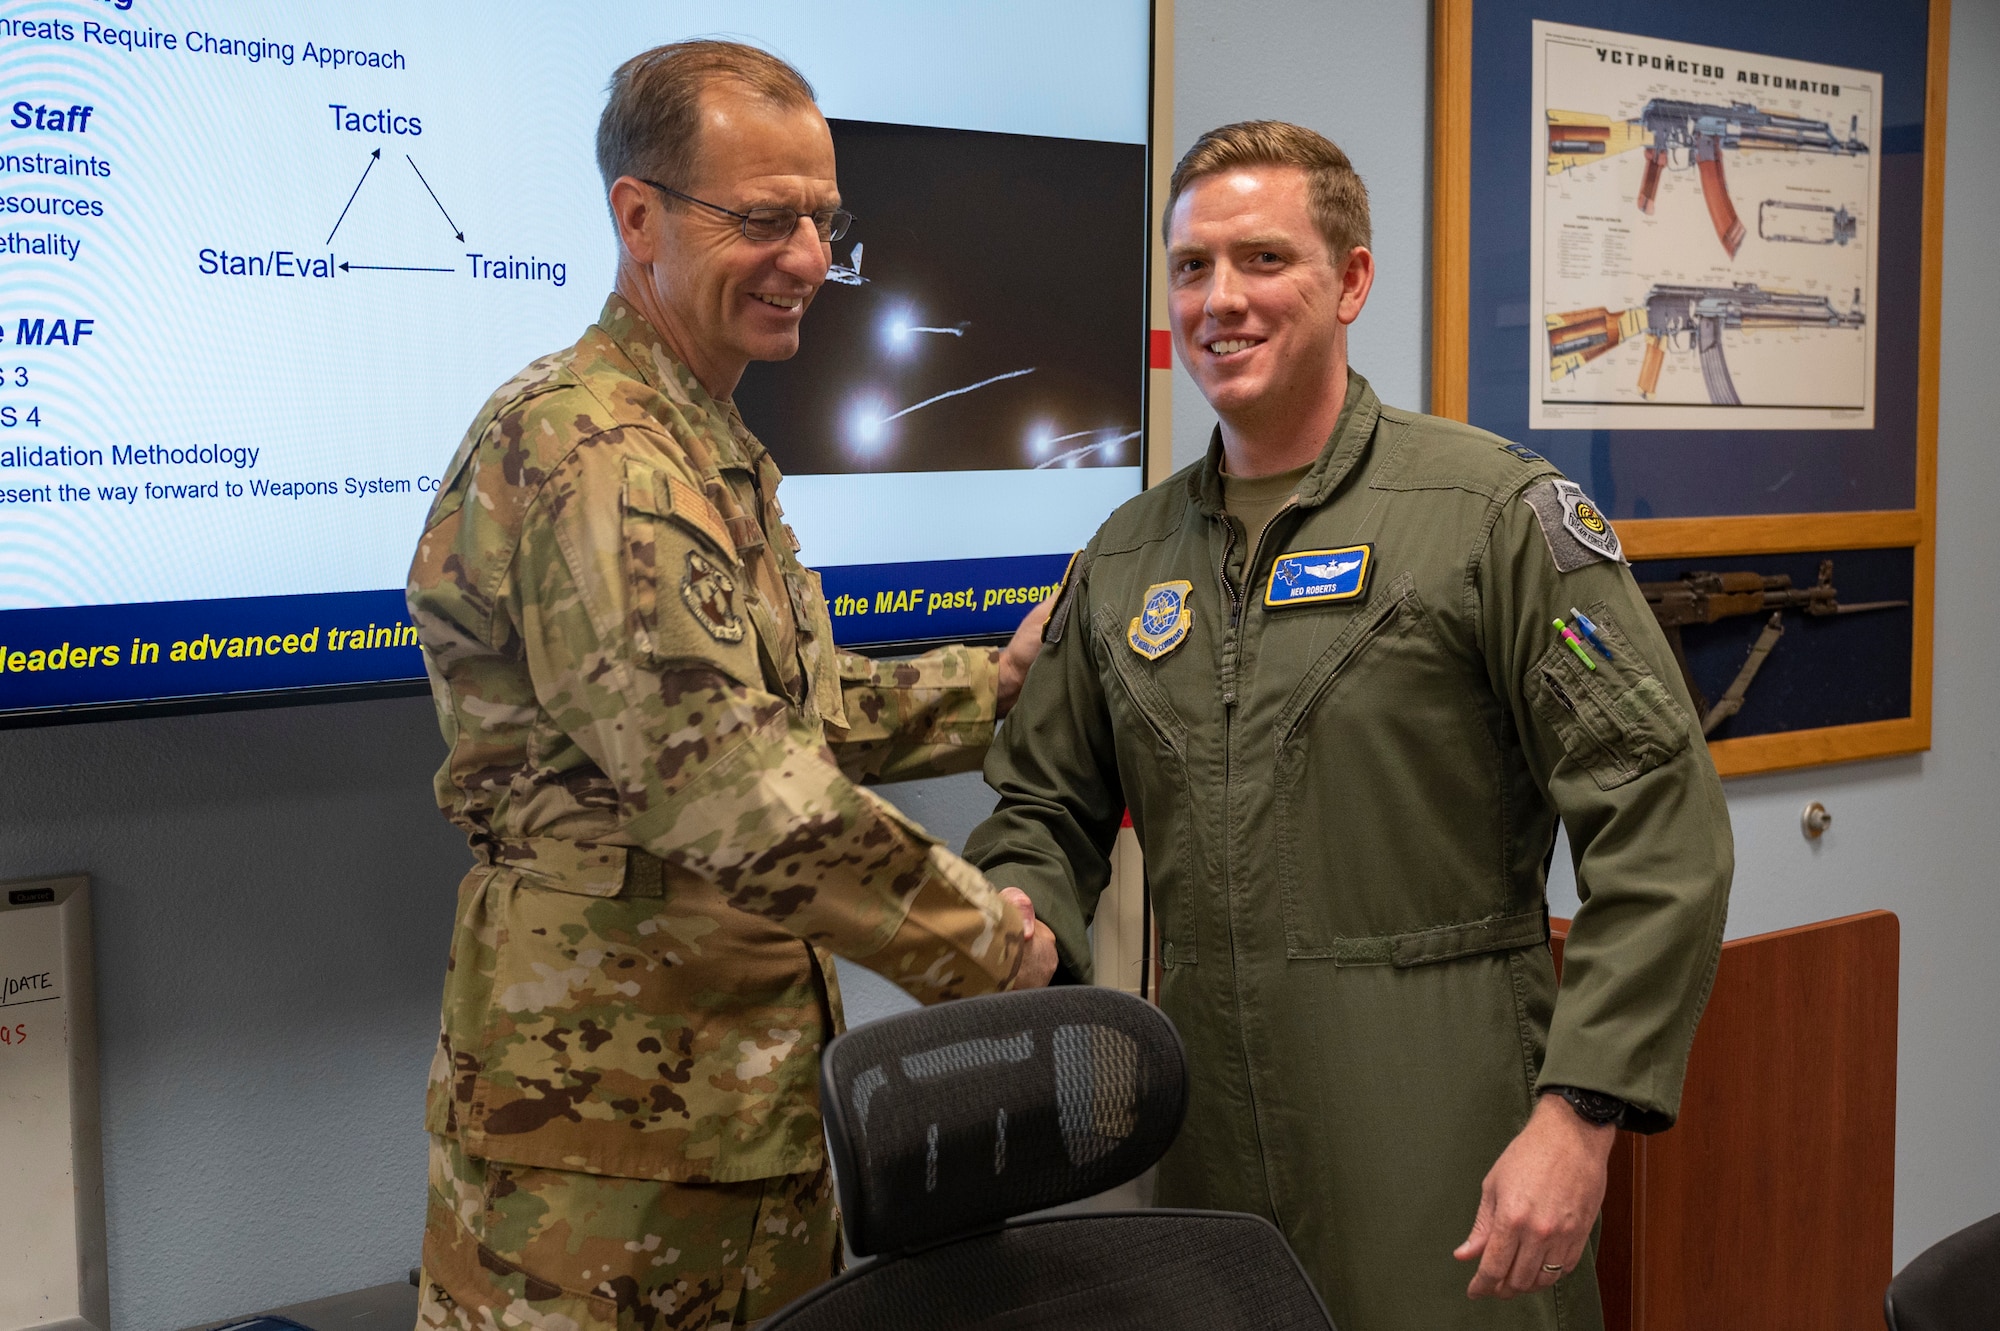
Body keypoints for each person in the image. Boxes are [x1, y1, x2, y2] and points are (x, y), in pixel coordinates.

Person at [962, 120, 1733, 1331]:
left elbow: (1658, 823)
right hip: (1208, 1138)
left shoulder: (1492, 517)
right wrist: (1019, 914)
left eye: (1264, 260)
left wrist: (1580, 1112)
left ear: (1351, 281)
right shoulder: (1123, 558)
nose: (1222, 299)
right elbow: (1042, 805)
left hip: (1447, 1138)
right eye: (1192, 267)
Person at [405, 41, 1058, 1331]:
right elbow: (730, 787)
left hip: (720, 1122)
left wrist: (992, 682)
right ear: (636, 216)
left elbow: (778, 717)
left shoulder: (698, 443)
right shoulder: (600, 453)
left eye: (822, 218)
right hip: (604, 1160)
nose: (810, 259)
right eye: (763, 219)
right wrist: (988, 946)